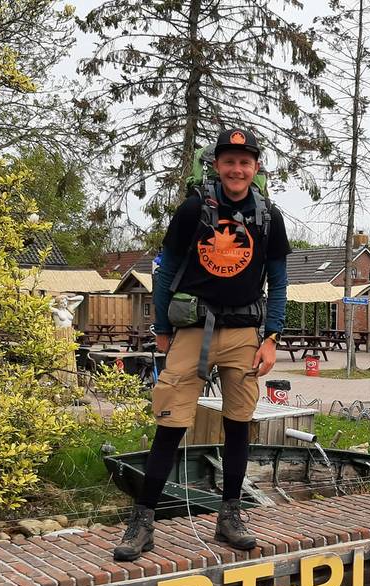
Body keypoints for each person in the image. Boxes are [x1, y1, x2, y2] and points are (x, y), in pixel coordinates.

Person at [113, 128, 290, 562]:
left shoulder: (269, 216)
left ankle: (229, 516)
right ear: (216, 165)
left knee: (237, 426)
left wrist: (271, 337)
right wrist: (161, 326)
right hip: (193, 330)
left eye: (244, 161)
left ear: (256, 167)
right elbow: (167, 267)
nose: (236, 168)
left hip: (246, 334)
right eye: (229, 161)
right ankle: (143, 521)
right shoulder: (193, 210)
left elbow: (280, 280)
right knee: (170, 423)